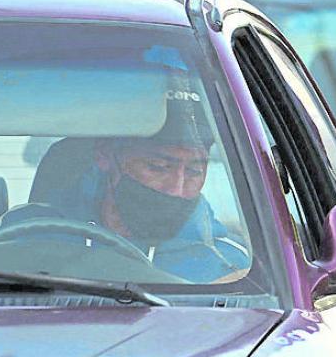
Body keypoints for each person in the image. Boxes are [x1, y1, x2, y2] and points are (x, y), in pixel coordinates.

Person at [58, 91, 250, 283]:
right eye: (158, 167)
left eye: (194, 171)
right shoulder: (38, 239)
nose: (176, 189)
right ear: (105, 154)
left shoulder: (233, 267)